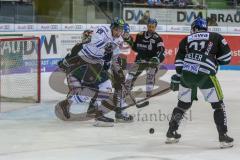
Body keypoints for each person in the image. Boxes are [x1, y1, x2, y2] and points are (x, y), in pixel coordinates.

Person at [166, 17, 233, 148]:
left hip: (187, 73)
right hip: (206, 73)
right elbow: (226, 58)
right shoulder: (216, 36)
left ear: (194, 28)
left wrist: (179, 76)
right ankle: (223, 137)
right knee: (218, 105)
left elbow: (179, 62)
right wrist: (213, 61)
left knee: (182, 105)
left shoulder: (186, 39)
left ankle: (171, 133)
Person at [56, 17, 132, 127]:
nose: (118, 32)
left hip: (96, 64)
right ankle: (97, 114)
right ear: (112, 28)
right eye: (116, 30)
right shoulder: (102, 29)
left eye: (120, 30)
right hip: (84, 60)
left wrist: (119, 72)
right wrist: (107, 45)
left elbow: (114, 57)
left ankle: (92, 112)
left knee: (101, 88)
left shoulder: (119, 39)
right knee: (99, 88)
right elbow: (96, 42)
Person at [124, 18, 165, 97]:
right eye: (149, 26)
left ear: (155, 27)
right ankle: (126, 91)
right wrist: (129, 40)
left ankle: (148, 94)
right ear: (147, 26)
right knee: (130, 76)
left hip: (151, 62)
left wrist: (157, 59)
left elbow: (162, 51)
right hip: (140, 60)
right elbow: (135, 48)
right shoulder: (140, 35)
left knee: (150, 76)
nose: (151, 28)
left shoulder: (158, 38)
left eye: (153, 27)